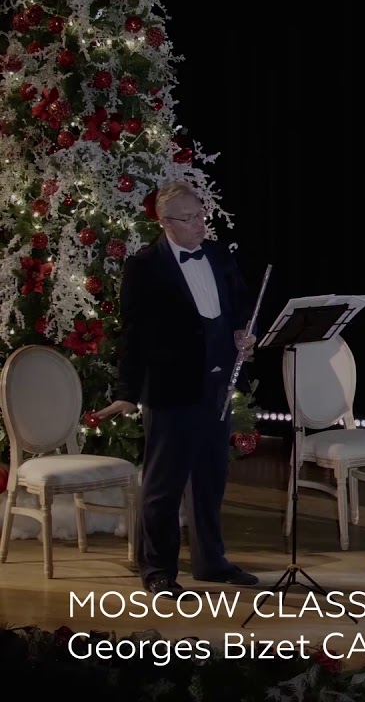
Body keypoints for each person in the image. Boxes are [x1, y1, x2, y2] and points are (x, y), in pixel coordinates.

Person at [97, 180, 259, 595]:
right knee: (163, 486)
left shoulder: (218, 255)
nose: (200, 225)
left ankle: (211, 561)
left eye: (201, 215)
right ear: (164, 222)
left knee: (211, 479)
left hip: (217, 385)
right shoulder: (144, 267)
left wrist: (244, 332)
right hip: (171, 389)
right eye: (189, 219)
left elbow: (241, 304)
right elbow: (134, 335)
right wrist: (127, 391)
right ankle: (158, 570)